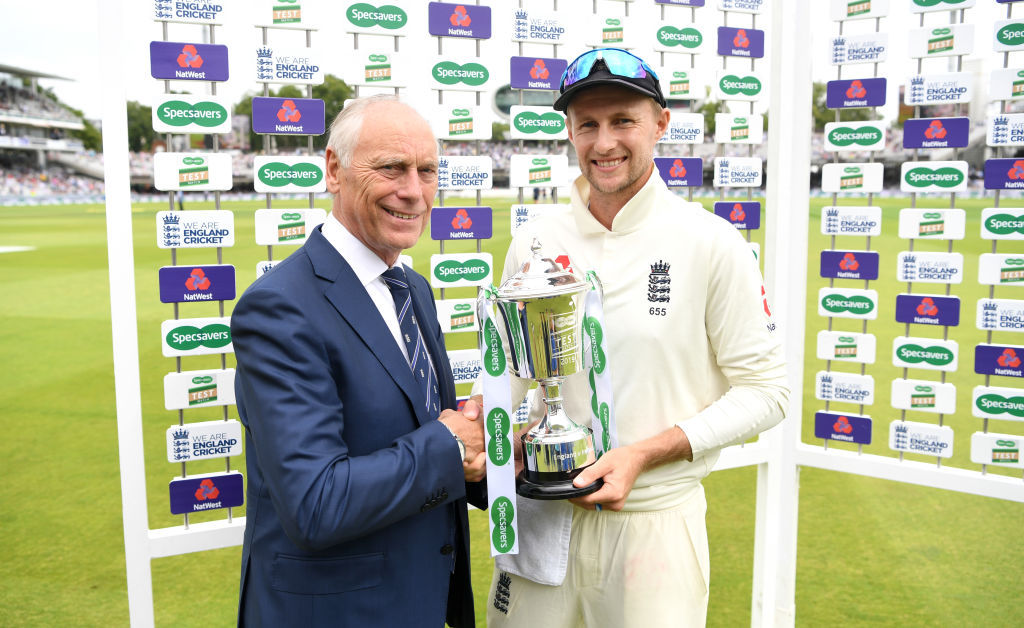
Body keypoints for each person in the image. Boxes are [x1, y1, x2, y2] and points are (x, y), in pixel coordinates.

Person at [479, 48, 789, 627]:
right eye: (588, 124)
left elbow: (768, 392)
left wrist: (644, 454)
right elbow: (511, 376)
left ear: (660, 123)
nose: (604, 143)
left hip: (655, 527)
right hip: (544, 522)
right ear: (568, 129)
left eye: (623, 121)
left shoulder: (712, 242)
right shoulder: (535, 242)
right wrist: (495, 431)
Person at [231, 95, 486, 627]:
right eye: (392, 167)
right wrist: (449, 442)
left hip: (418, 603)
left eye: (427, 170)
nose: (413, 190)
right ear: (334, 170)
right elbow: (314, 503)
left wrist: (488, 453)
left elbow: (425, 441)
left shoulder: (411, 287)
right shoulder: (280, 307)